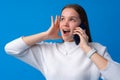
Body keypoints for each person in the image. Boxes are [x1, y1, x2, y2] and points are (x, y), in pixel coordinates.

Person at [5, 4, 120, 80]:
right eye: (62, 18)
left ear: (82, 25)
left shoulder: (96, 49)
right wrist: (46, 35)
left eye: (72, 19)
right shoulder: (48, 50)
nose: (65, 24)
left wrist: (86, 48)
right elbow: (10, 49)